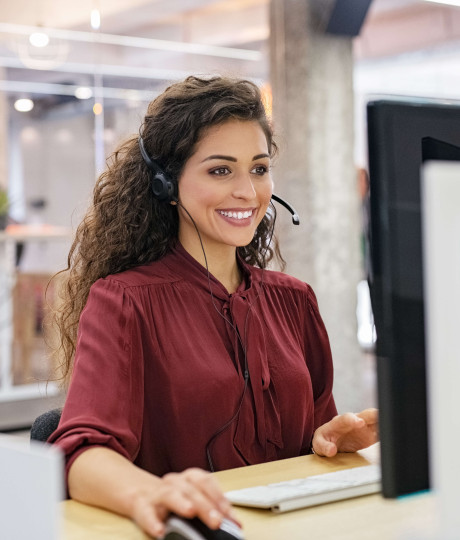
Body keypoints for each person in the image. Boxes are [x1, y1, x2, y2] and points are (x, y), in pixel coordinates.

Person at [48, 75, 378, 538]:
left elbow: (313, 433)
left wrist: (328, 440)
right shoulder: (124, 301)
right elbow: (79, 454)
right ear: (167, 183)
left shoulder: (294, 300)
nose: (247, 191)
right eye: (220, 170)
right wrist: (149, 493)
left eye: (259, 169)